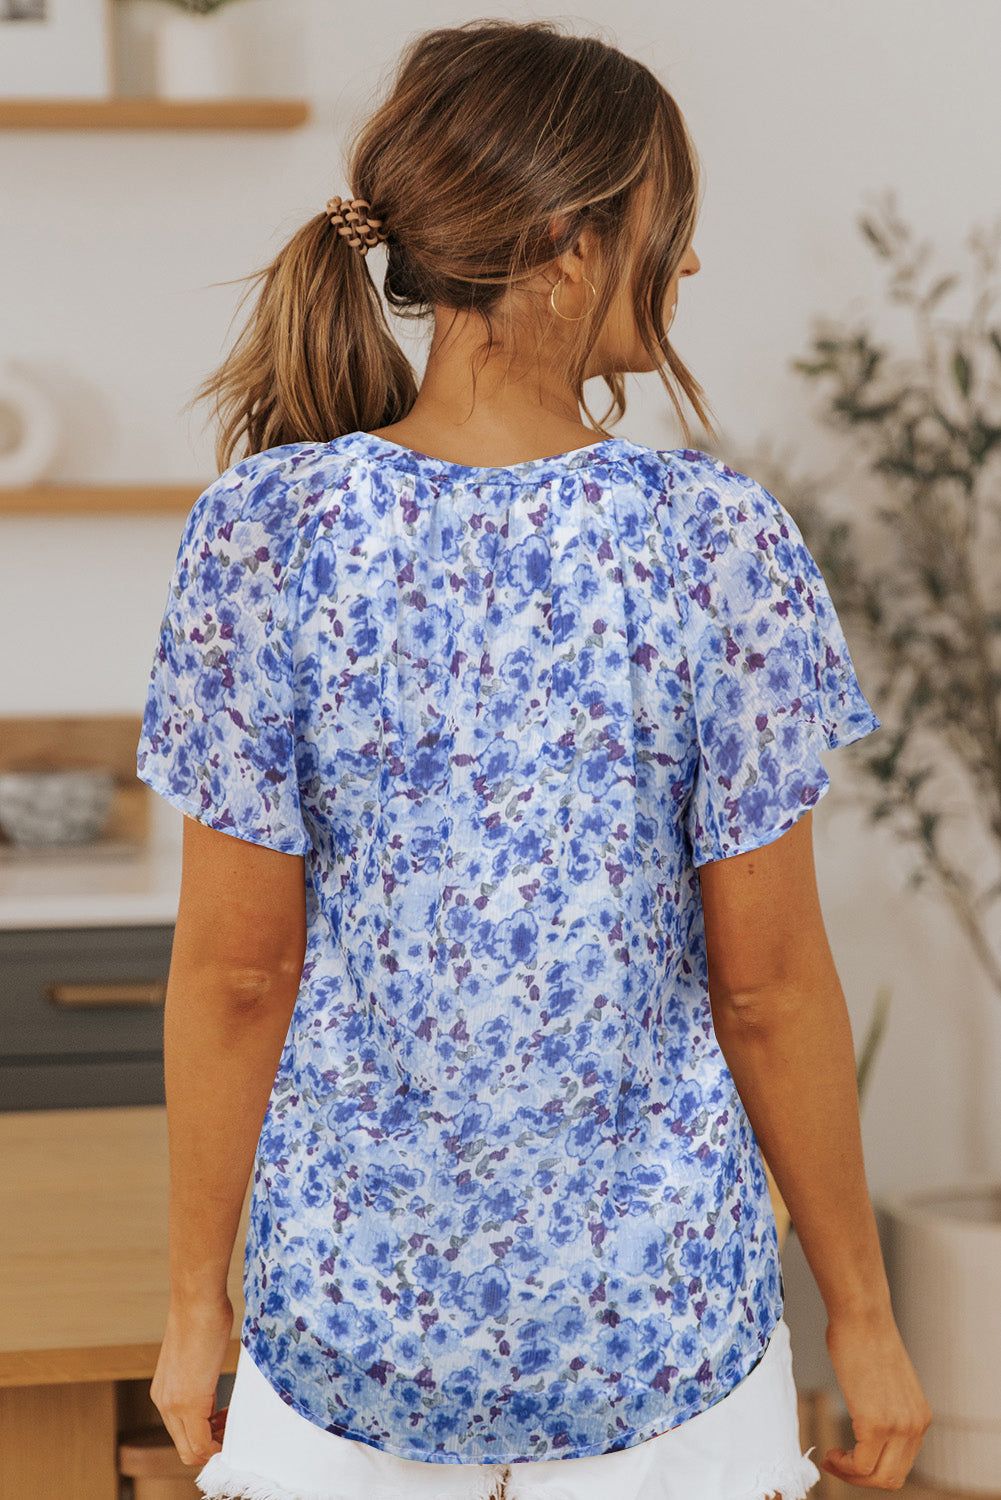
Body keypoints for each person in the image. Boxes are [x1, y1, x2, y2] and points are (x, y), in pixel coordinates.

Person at [135, 19, 933, 1500]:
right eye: (664, 228)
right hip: (665, 1345)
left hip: (345, 1333)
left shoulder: (263, 531)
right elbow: (766, 989)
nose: (686, 265)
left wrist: (195, 1306)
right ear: (569, 246)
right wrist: (865, 1318)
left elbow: (238, 972)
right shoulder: (712, 539)